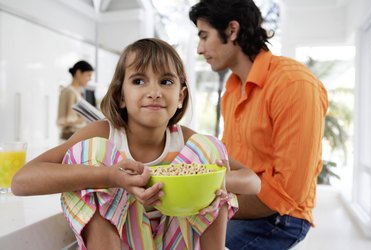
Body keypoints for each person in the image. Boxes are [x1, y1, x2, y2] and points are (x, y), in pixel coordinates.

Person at [11, 38, 261, 250]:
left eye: (166, 81)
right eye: (139, 81)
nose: (154, 91)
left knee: (209, 149)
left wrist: (206, 179)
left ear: (181, 95)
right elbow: (22, 182)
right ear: (121, 95)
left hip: (175, 239)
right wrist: (110, 176)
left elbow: (252, 181)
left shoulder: (184, 139)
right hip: (121, 241)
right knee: (91, 151)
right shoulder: (104, 134)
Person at [189, 0, 329, 249]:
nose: (200, 49)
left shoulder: (293, 84)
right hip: (243, 201)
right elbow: (229, 162)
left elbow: (286, 193)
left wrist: (209, 206)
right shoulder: (232, 90)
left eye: (204, 36)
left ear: (232, 30)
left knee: (196, 243)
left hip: (281, 217)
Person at [57, 60, 94, 140]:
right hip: (69, 138)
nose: (90, 79)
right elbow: (65, 120)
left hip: (73, 137)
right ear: (78, 73)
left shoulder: (76, 92)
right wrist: (85, 118)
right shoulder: (70, 92)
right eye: (88, 75)